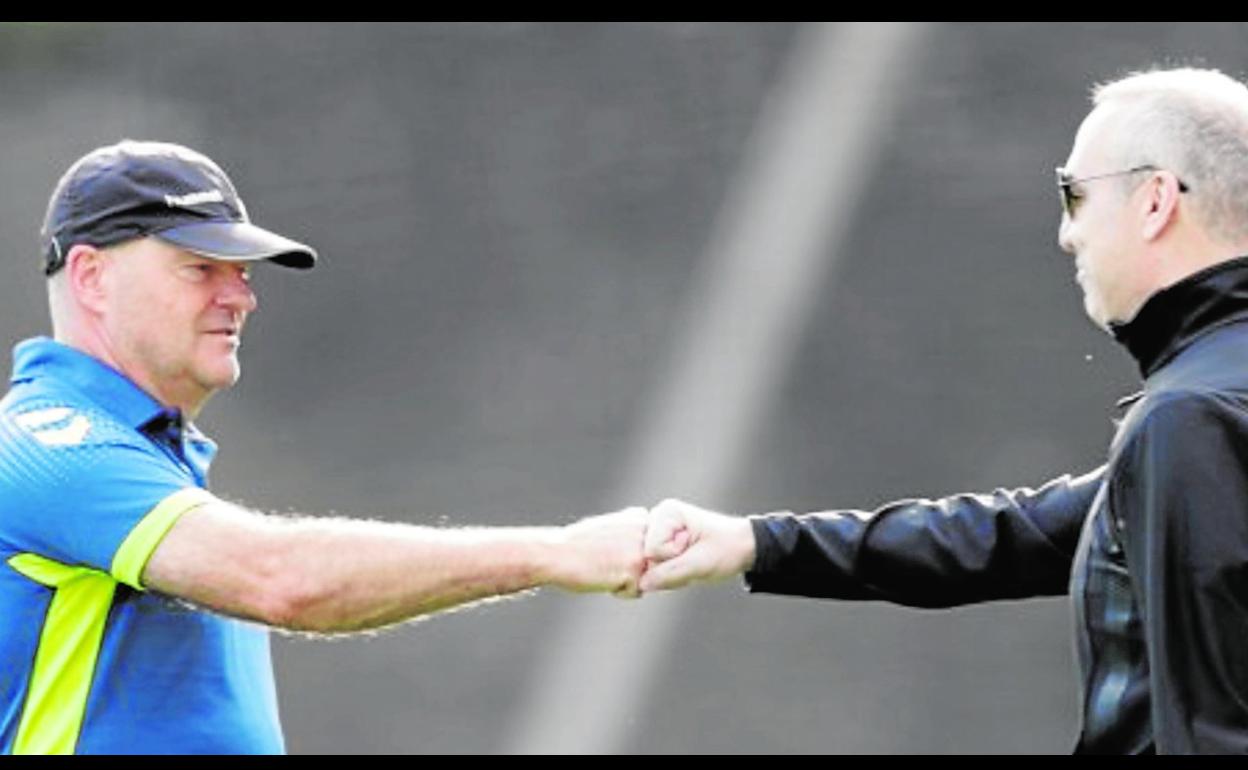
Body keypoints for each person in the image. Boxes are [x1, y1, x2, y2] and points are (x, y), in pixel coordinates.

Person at [640, 67, 1248, 754]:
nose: (1065, 235)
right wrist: (756, 544)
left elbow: (1213, 729)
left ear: (1155, 200)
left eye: (1073, 195)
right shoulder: (1208, 404)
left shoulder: (1189, 416)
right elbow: (1020, 537)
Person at [0, 140, 648, 755]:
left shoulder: (137, 454)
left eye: (243, 273)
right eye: (200, 269)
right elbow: (284, 580)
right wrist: (558, 552)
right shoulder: (50, 444)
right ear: (91, 277)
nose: (241, 298)